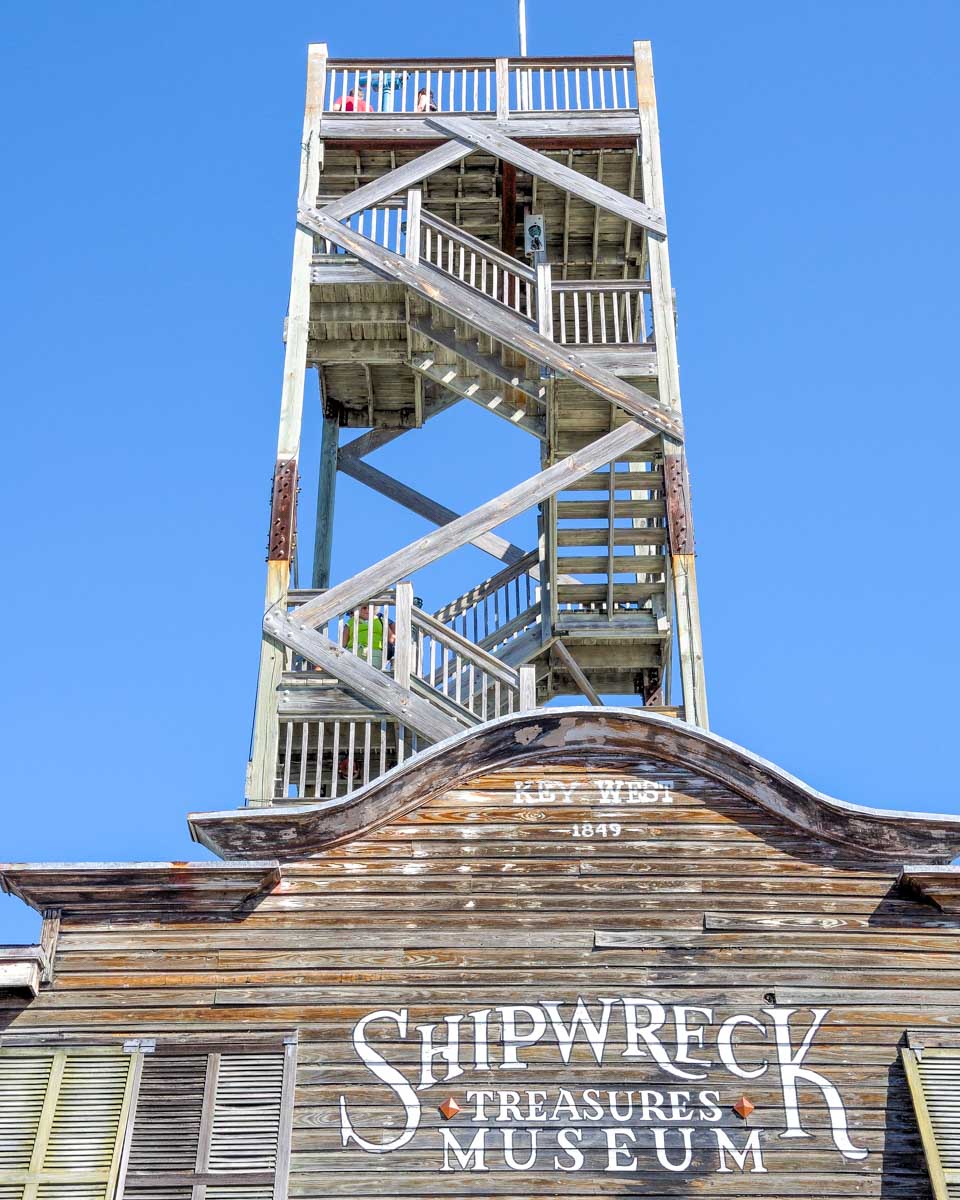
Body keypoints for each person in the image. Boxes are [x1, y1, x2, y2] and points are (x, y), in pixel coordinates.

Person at [342, 604, 396, 669]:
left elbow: (391, 638)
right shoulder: (350, 622)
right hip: (354, 652)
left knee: (373, 673)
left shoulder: (380, 620)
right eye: (364, 608)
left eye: (370, 608)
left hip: (375, 653)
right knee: (353, 673)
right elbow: (343, 643)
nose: (367, 610)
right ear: (358, 609)